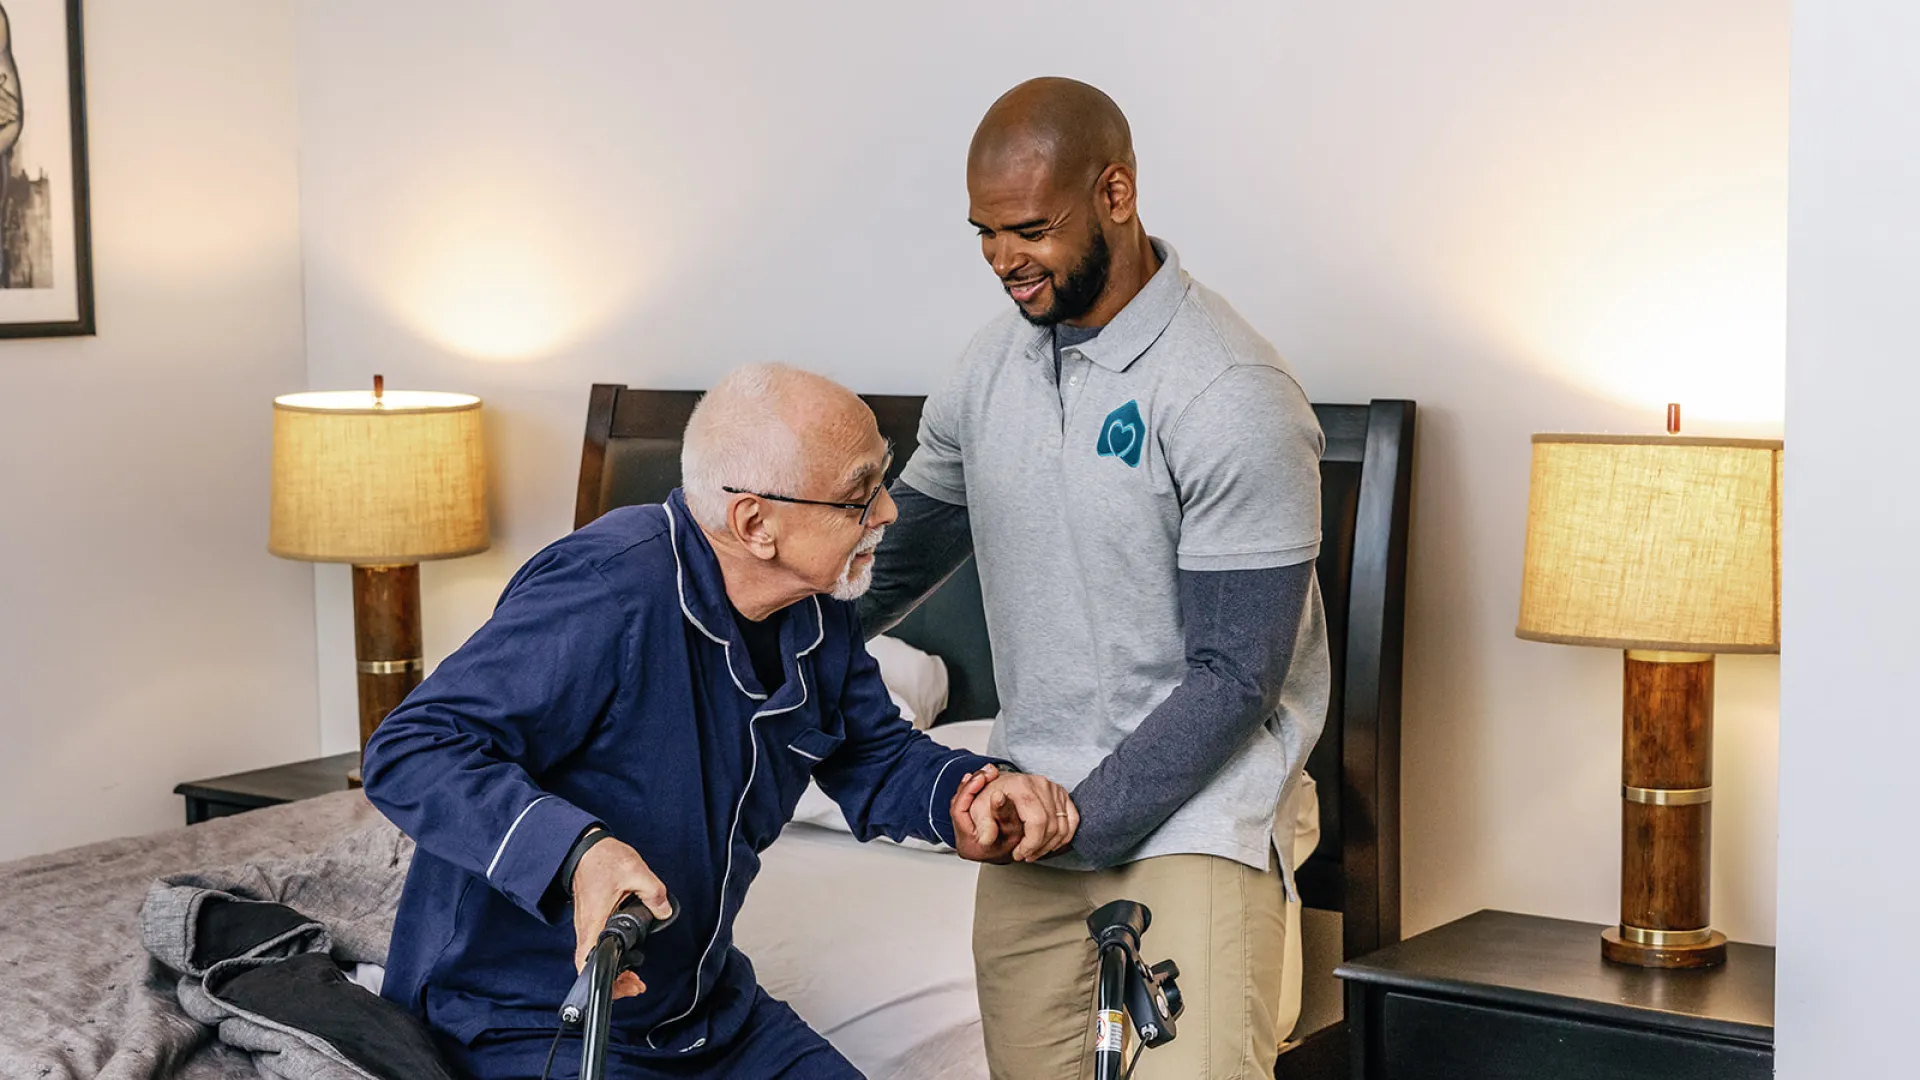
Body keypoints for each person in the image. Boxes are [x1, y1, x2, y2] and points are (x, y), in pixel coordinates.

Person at [364, 363, 1079, 1080]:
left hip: (703, 1013)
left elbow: (874, 755)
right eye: (861, 495)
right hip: (527, 1019)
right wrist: (578, 852)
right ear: (755, 523)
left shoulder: (819, 608)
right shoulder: (608, 588)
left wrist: (971, 793)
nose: (889, 512)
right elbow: (412, 748)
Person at [858, 77, 1330, 1079]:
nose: (1001, 261)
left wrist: (1085, 814)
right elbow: (882, 563)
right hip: (1033, 806)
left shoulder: (1230, 394)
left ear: (1117, 193)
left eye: (1028, 229)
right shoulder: (987, 373)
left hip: (1198, 815)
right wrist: (723, 626)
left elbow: (1233, 680)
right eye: (984, 233)